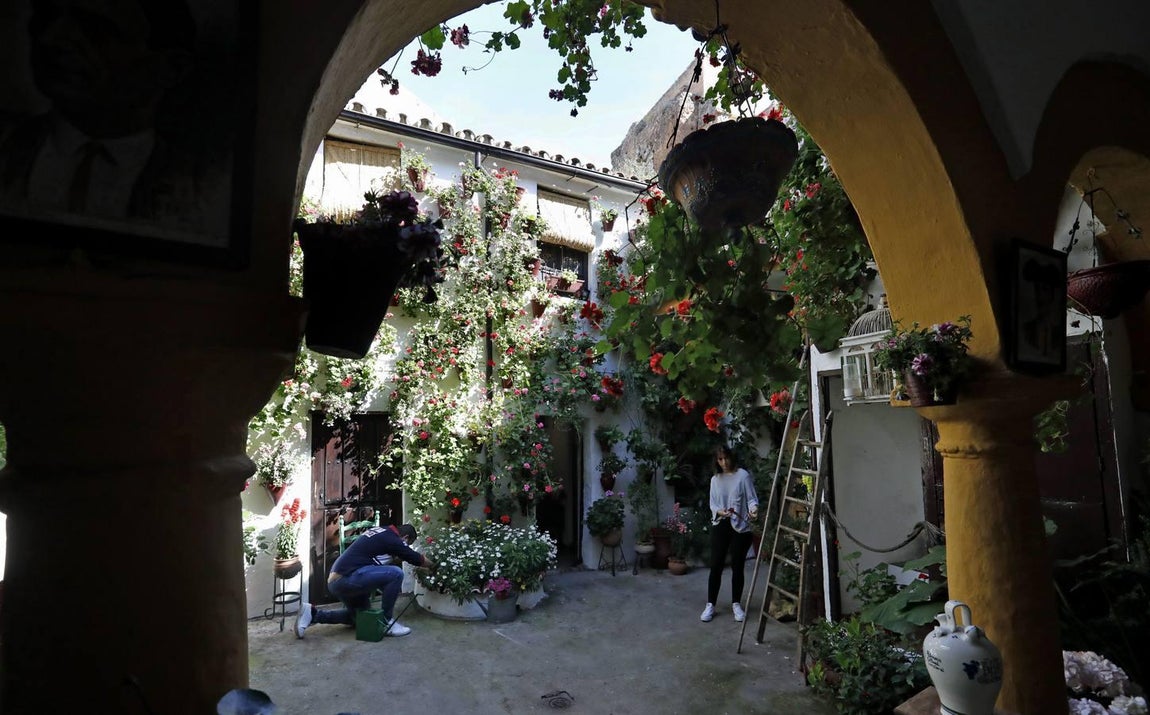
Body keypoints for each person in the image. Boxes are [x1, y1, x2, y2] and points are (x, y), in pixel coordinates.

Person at [295, 523, 433, 639]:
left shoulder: (383, 532)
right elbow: (416, 558)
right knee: (396, 573)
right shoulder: (393, 538)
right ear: (405, 537)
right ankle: (387, 622)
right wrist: (434, 566)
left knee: (362, 618)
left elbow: (378, 558)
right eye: (407, 544)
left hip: (340, 578)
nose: (405, 546)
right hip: (346, 577)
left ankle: (312, 614)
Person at [701, 444, 759, 623]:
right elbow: (712, 504)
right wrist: (720, 512)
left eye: (726, 458)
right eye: (720, 459)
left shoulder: (743, 476)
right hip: (721, 524)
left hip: (740, 525)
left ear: (731, 457)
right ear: (716, 461)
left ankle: (736, 604)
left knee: (737, 565)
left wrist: (754, 510)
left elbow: (751, 499)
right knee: (716, 565)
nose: (724, 462)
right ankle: (710, 604)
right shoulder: (715, 480)